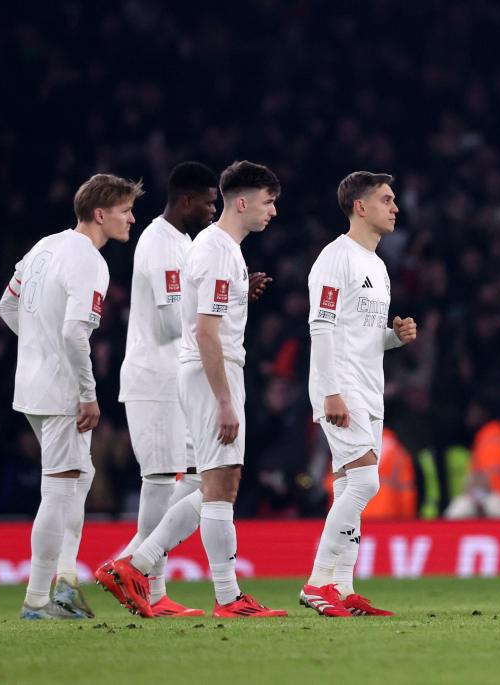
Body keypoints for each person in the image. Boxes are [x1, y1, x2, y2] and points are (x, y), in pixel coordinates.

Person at [100, 161, 286, 618]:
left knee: (211, 482)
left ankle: (156, 570)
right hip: (205, 372)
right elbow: (204, 331)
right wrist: (224, 399)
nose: (273, 212)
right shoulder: (217, 250)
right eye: (267, 202)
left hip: (200, 370)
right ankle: (152, 570)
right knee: (213, 484)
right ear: (241, 202)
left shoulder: (212, 247)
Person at [0, 173, 142, 618]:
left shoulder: (44, 246)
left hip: (32, 387)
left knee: (78, 478)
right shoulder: (90, 262)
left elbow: (7, 307)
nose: (131, 218)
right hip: (62, 393)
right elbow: (76, 332)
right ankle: (39, 599)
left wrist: (38, 347)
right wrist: (87, 393)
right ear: (100, 214)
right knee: (60, 490)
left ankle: (65, 581)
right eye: (124, 211)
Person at [300, 171, 417, 617]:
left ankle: (343, 588)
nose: (396, 207)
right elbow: (322, 326)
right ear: (360, 207)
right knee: (367, 482)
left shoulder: (380, 267)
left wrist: (394, 336)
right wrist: (331, 392)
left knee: (349, 485)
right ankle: (316, 583)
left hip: (369, 389)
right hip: (342, 389)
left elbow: (361, 334)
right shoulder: (335, 258)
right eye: (387, 199)